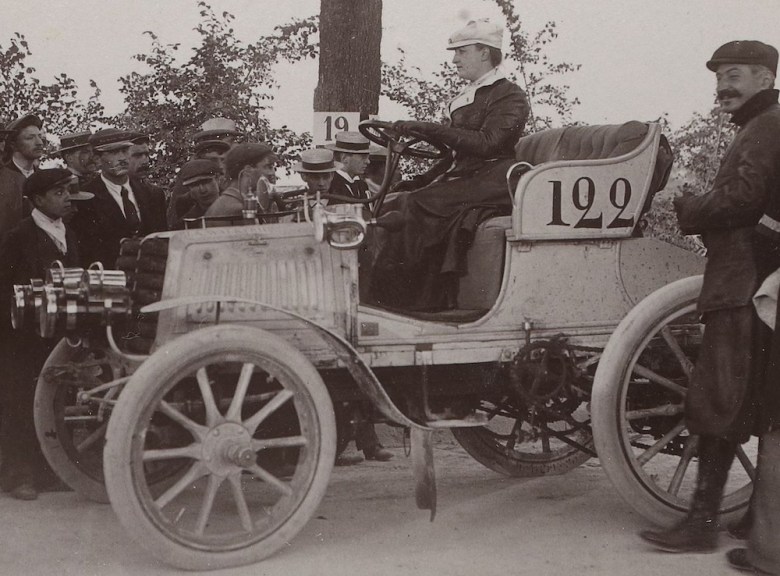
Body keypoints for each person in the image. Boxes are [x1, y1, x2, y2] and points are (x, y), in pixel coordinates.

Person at [639, 40, 780, 555]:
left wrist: (690, 207)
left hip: (741, 283)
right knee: (758, 404)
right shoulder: (763, 126)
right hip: (755, 280)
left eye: (735, 75)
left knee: (718, 401)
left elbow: (743, 199)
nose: (723, 86)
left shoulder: (765, 127)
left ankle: (701, 524)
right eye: (720, 76)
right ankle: (757, 527)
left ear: (765, 78)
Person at [368, 19, 529, 311]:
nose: (454, 59)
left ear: (485, 52)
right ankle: (390, 293)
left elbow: (488, 143)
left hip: (496, 179)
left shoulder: (510, 94)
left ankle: (408, 301)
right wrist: (421, 179)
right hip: (468, 178)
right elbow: (451, 155)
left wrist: (430, 129)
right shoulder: (467, 95)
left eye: (461, 52)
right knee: (399, 198)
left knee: (416, 205)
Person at [0, 168, 93, 500]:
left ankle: (47, 470)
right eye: (59, 193)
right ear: (37, 200)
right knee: (21, 402)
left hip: (57, 334)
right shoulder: (19, 237)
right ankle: (17, 475)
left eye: (68, 191)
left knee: (54, 400)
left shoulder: (70, 232)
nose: (67, 198)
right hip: (24, 337)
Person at [72, 128, 167, 267]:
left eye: (125, 150)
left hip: (150, 279)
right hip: (107, 281)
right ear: (98, 159)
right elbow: (85, 253)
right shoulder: (85, 199)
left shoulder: (154, 194)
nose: (122, 158)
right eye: (113, 153)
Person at [204, 142, 277, 219]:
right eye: (268, 167)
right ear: (248, 170)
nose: (272, 173)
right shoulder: (238, 210)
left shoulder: (231, 200)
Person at [0, 114, 44, 236]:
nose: (39, 142)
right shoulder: (3, 177)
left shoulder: (44, 178)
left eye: (40, 137)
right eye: (30, 138)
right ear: (13, 144)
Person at [175, 159, 222, 227]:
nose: (203, 190)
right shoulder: (187, 223)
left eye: (206, 182)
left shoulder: (236, 210)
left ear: (217, 179)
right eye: (195, 185)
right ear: (189, 189)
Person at [325, 131, 371, 202]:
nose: (368, 161)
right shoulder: (329, 185)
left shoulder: (362, 185)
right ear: (344, 158)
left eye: (368, 157)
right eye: (363, 157)